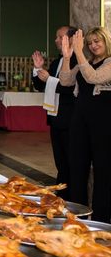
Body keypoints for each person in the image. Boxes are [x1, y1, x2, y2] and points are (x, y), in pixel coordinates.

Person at [59, 27, 111, 222]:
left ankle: (101, 220)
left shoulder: (109, 63)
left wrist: (79, 52)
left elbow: (94, 77)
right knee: (77, 169)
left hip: (104, 125)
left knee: (103, 172)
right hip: (80, 122)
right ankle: (78, 217)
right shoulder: (86, 62)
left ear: (106, 41)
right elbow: (65, 81)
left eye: (97, 41)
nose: (93, 45)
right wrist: (67, 57)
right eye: (90, 43)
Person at [31, 26, 77, 198]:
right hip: (55, 118)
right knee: (60, 162)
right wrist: (37, 69)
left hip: (70, 118)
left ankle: (70, 197)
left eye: (60, 37)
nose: (56, 40)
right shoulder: (57, 62)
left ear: (71, 40)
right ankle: (61, 196)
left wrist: (49, 79)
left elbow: (69, 88)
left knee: (71, 161)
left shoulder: (77, 61)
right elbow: (40, 86)